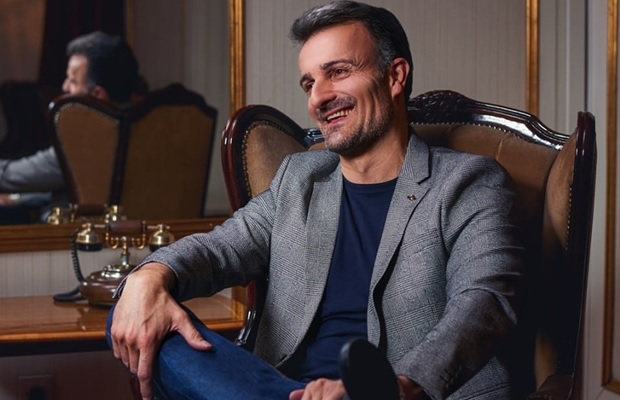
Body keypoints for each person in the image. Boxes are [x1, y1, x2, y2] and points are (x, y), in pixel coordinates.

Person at [108, 1, 525, 399]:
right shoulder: (299, 179)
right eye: (309, 83)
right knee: (138, 313)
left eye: (338, 72)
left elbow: (484, 302)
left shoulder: (468, 183)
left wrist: (398, 387)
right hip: (288, 390)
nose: (318, 98)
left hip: (399, 393)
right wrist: (150, 277)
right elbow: (217, 250)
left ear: (395, 76)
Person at [0, 31, 141, 223]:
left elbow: (10, 176)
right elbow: (73, 190)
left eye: (73, 81)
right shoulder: (155, 131)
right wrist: (17, 199)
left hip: (76, 238)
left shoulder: (85, 143)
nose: (65, 87)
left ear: (97, 95)